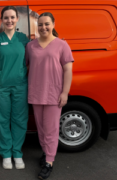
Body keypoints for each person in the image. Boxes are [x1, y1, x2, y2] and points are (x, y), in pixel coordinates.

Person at [26, 12, 74, 179]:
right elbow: (25, 67)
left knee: (51, 129)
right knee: (41, 128)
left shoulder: (62, 45)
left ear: (53, 24)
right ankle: (46, 153)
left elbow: (68, 70)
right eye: (40, 25)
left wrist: (65, 92)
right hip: (36, 93)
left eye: (46, 24)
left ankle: (49, 162)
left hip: (54, 94)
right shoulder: (30, 46)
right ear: (37, 27)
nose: (43, 27)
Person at [0, 6, 29, 170]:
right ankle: (6, 153)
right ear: (2, 20)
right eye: (6, 17)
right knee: (2, 120)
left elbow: (39, 52)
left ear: (17, 19)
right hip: (0, 86)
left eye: (12, 17)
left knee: (19, 120)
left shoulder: (23, 38)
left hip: (20, 85)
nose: (9, 20)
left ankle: (17, 153)